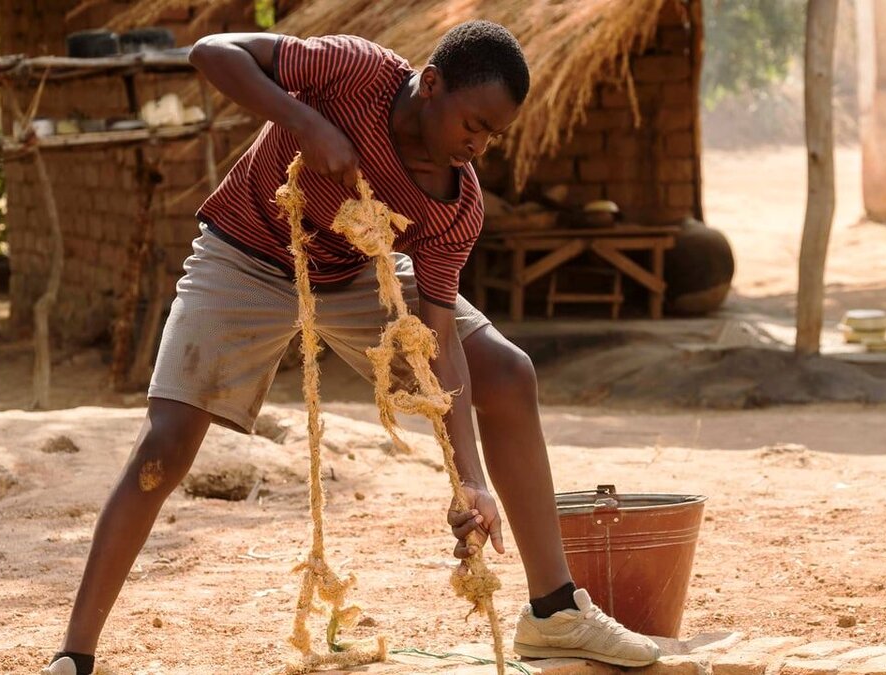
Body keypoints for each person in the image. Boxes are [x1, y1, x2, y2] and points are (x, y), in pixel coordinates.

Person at [42, 20, 660, 675]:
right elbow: (210, 54)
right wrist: (303, 122)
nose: (476, 146)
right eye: (472, 124)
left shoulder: (455, 203)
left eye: (491, 136)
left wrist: (469, 477)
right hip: (245, 254)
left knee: (507, 371)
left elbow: (437, 337)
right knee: (163, 447)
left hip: (356, 272)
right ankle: (74, 652)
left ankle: (554, 610)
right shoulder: (355, 72)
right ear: (431, 86)